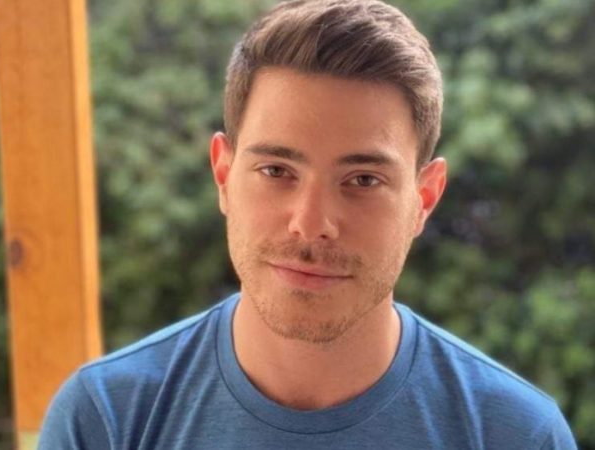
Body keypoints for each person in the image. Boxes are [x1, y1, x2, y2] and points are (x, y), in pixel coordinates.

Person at [38, 0, 577, 448]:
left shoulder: (515, 434)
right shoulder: (107, 420)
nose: (311, 223)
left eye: (363, 179)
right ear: (223, 175)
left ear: (424, 199)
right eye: (277, 171)